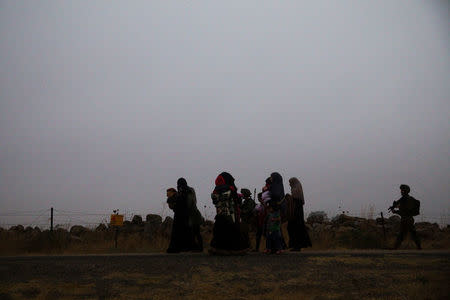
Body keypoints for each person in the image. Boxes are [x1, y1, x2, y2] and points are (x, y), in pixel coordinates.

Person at [210, 172, 247, 255]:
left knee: (219, 232)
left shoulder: (216, 190)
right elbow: (236, 201)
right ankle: (234, 250)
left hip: (220, 215)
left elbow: (215, 201)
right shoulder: (230, 189)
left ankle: (218, 249)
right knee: (232, 232)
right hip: (230, 215)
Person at [389, 184, 421, 250]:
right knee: (411, 233)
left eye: (402, 190)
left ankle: (395, 247)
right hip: (409, 219)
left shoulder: (405, 199)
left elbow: (403, 211)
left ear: (404, 191)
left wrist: (395, 211)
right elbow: (399, 204)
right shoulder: (408, 199)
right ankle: (419, 247)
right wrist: (394, 207)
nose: (401, 192)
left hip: (406, 219)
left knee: (403, 233)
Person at [177, 178, 203, 252]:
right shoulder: (188, 190)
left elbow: (190, 202)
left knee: (195, 232)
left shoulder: (188, 190)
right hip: (192, 213)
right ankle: (195, 247)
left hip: (192, 214)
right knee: (193, 232)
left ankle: (199, 248)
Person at [287, 177, 312, 251]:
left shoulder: (297, 189)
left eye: (290, 182)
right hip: (295, 213)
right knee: (292, 228)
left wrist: (290, 197)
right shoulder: (295, 189)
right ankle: (295, 245)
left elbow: (295, 200)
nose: (289, 184)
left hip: (297, 214)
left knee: (295, 228)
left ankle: (297, 246)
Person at [166, 183, 191, 253]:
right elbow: (172, 207)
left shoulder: (179, 196)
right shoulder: (170, 199)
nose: (167, 194)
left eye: (168, 193)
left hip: (182, 215)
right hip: (178, 214)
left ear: (173, 192)